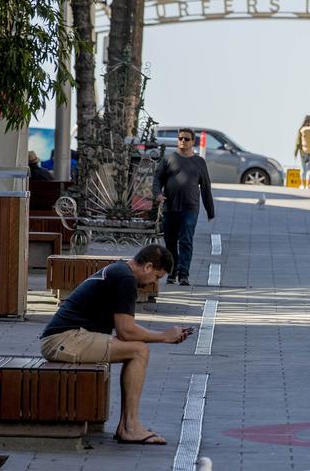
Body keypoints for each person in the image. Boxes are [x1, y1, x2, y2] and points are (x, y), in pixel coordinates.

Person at [39, 245, 193, 445]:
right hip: (64, 340)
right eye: (156, 277)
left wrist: (163, 335)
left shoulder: (119, 270)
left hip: (66, 338)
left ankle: (126, 426)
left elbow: (125, 332)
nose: (153, 284)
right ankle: (130, 427)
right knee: (139, 350)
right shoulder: (126, 279)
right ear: (147, 267)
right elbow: (126, 330)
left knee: (136, 348)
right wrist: (165, 336)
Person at [153, 128, 214, 286]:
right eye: (180, 138)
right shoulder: (168, 159)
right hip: (170, 208)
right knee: (171, 242)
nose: (182, 141)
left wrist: (210, 210)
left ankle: (184, 274)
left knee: (186, 240)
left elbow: (206, 187)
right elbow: (157, 179)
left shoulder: (199, 162)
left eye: (186, 139)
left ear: (193, 141)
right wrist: (157, 194)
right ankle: (172, 273)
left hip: (190, 209)